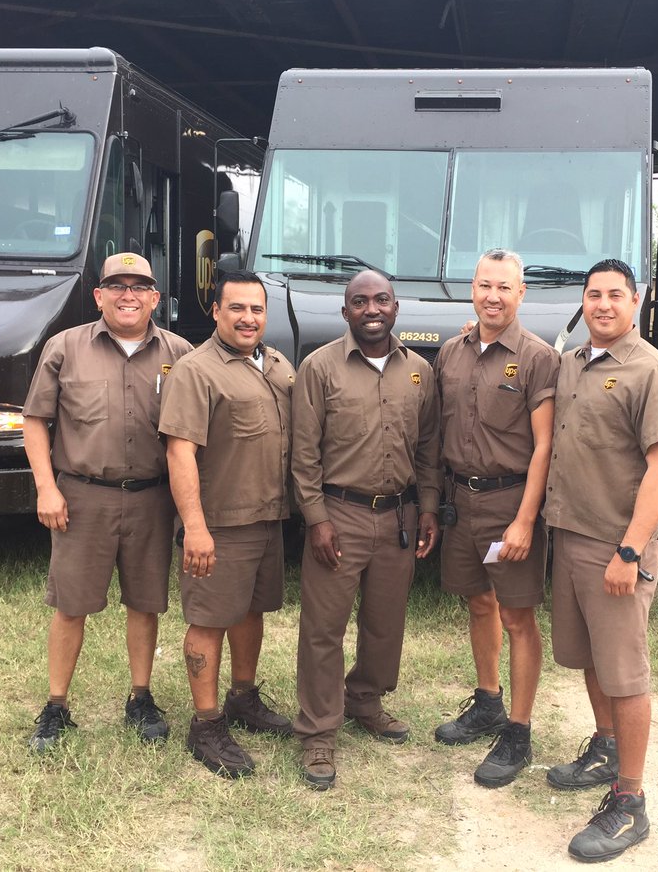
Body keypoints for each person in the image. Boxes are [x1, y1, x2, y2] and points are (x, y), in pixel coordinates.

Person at [543, 258, 658, 862]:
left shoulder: (654, 372)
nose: (603, 305)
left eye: (615, 295)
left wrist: (630, 551)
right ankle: (605, 748)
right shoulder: (575, 361)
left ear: (636, 302)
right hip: (570, 539)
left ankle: (630, 801)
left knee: (624, 674)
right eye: (593, 294)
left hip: (615, 547)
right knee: (590, 659)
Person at [22, 252, 193, 753]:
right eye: (117, 285)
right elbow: (35, 420)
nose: (128, 295)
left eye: (139, 286)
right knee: (70, 605)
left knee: (145, 602)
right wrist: (46, 487)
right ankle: (56, 706)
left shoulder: (181, 353)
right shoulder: (65, 347)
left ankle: (141, 698)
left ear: (155, 298)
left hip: (152, 498)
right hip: (82, 497)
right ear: (98, 296)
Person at [291, 269, 442, 790]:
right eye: (360, 301)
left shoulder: (419, 371)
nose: (371, 309)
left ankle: (365, 699)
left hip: (399, 516)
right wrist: (317, 519)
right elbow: (304, 455)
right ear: (346, 311)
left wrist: (428, 508)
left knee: (385, 622)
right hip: (340, 515)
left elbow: (428, 448)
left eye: (381, 300)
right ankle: (318, 731)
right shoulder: (319, 367)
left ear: (396, 307)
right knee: (323, 629)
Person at [158, 271, 296, 778]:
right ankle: (206, 722)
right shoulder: (196, 371)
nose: (247, 318)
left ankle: (243, 697)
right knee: (210, 620)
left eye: (257, 309)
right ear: (215, 311)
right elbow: (180, 453)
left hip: (268, 517)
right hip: (219, 524)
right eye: (236, 308)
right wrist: (195, 527)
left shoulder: (277, 364)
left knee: (250, 612)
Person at [431, 248, 559, 787]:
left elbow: (545, 445)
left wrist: (525, 520)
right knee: (478, 602)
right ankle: (488, 701)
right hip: (461, 502)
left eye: (505, 287)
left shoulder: (537, 358)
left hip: (510, 503)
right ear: (472, 288)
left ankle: (519, 730)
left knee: (517, 616)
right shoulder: (450, 353)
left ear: (521, 293)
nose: (493, 296)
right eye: (485, 285)